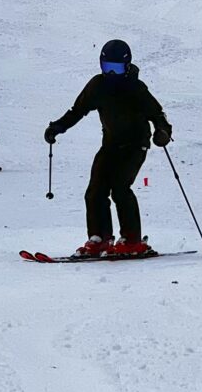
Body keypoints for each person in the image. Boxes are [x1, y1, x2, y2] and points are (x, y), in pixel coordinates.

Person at [44, 40, 172, 257]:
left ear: (127, 66)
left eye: (117, 68)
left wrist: (163, 132)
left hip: (135, 144)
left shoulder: (135, 88)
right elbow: (77, 111)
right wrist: (58, 127)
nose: (112, 73)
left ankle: (132, 240)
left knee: (120, 188)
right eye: (107, 68)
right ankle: (100, 238)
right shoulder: (98, 86)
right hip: (111, 144)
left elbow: (157, 114)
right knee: (95, 190)